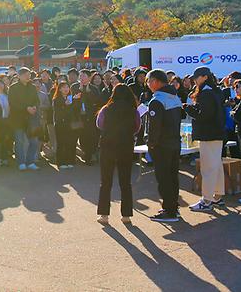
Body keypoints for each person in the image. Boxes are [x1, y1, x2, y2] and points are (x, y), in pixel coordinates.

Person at [184, 66, 227, 211]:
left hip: (209, 134)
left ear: (205, 77)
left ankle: (207, 200)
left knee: (208, 168)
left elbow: (204, 115)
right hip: (216, 133)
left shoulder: (206, 93)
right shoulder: (215, 91)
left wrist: (189, 109)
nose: (194, 80)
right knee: (216, 166)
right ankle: (217, 197)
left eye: (197, 77)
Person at [145, 69, 183, 222]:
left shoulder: (157, 100)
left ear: (155, 81)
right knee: (173, 176)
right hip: (175, 142)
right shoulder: (175, 97)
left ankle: (169, 211)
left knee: (164, 178)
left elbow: (155, 127)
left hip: (162, 145)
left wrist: (151, 144)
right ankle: (173, 206)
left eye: (148, 81)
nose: (148, 85)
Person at [96, 84, 138, 225]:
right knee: (125, 182)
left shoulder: (106, 109)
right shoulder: (133, 110)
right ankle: (126, 215)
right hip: (126, 146)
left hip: (107, 146)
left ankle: (104, 215)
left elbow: (99, 124)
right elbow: (137, 127)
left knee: (106, 182)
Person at [9, 68, 41, 171]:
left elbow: (36, 100)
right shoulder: (13, 88)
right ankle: (21, 162)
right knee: (19, 141)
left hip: (31, 119)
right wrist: (26, 108)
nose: (28, 77)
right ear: (19, 76)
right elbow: (12, 103)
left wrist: (35, 107)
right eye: (25, 75)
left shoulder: (32, 87)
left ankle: (30, 161)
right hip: (18, 118)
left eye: (29, 75)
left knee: (34, 141)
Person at [52, 81, 77, 169]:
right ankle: (61, 162)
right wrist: (64, 105)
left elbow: (73, 111)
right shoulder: (56, 99)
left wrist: (74, 101)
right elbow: (58, 113)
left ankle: (69, 161)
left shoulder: (70, 98)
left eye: (67, 87)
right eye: (63, 87)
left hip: (69, 124)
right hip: (60, 124)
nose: (66, 89)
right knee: (61, 143)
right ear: (59, 89)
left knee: (69, 142)